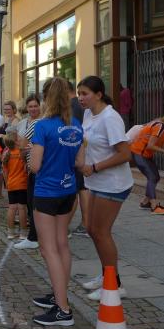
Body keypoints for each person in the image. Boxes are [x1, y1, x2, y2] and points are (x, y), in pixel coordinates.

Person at [28, 77, 84, 326]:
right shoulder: (76, 125)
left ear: (46, 98)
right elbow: (80, 162)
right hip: (68, 190)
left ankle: (63, 310)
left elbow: (35, 165)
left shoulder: (42, 126)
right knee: (62, 244)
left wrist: (30, 154)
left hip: (47, 192)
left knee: (48, 248)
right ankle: (59, 295)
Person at [77, 75, 134, 301]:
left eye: (85, 94)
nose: (80, 98)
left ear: (99, 94)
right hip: (96, 181)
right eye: (79, 94)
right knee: (92, 229)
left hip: (113, 184)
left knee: (101, 232)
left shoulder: (110, 118)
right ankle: (106, 275)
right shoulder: (88, 114)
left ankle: (115, 285)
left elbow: (125, 154)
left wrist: (95, 167)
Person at [130, 109, 164, 214]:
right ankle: (154, 206)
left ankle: (145, 202)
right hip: (138, 153)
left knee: (156, 177)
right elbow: (150, 146)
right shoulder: (160, 126)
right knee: (152, 177)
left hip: (146, 155)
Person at [14, 95, 43, 250]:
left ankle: (33, 237)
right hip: (32, 166)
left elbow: (22, 144)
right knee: (33, 202)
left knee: (33, 202)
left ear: (40, 106)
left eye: (35, 106)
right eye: (30, 106)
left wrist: (28, 148)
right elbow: (22, 147)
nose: (33, 109)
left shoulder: (37, 123)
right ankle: (36, 236)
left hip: (37, 168)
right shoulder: (29, 122)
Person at [67, 82, 91, 237]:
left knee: (79, 189)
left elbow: (73, 132)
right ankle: (86, 224)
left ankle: (84, 224)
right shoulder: (81, 105)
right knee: (83, 188)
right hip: (85, 150)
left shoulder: (72, 106)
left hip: (78, 151)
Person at [2, 134, 28, 239]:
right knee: (22, 208)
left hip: (11, 184)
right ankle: (23, 233)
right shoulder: (22, 153)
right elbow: (26, 169)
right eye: (19, 138)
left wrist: (7, 183)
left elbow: (5, 172)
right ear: (16, 142)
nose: (21, 138)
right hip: (22, 184)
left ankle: (10, 232)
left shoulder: (7, 154)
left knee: (12, 208)